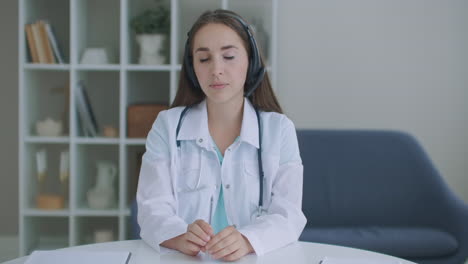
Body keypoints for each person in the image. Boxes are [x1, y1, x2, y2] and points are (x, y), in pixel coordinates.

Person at [137, 9, 306, 261]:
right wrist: (180, 236)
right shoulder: (167, 126)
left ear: (251, 61)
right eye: (204, 59)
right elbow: (152, 209)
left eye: (228, 56)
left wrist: (248, 239)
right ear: (192, 67)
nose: (216, 69)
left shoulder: (279, 130)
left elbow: (289, 216)